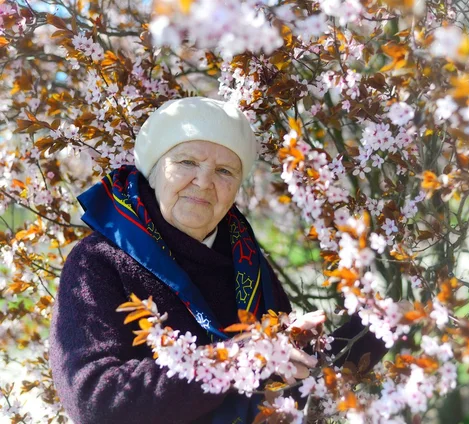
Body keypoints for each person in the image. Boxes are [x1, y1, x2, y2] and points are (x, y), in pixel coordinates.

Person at [49, 97, 386, 424]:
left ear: (237, 187)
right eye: (186, 162)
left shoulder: (246, 260)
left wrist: (373, 332)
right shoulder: (98, 261)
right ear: (154, 170)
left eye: (224, 170)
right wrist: (235, 358)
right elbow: (94, 400)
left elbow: (280, 383)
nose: (204, 181)